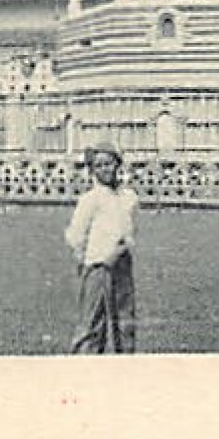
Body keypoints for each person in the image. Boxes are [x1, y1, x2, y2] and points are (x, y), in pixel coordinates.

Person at [65, 145, 139, 354]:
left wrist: (121, 249)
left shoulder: (129, 198)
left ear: (117, 164)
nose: (105, 169)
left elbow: (131, 230)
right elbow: (75, 235)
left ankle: (124, 370)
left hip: (122, 264)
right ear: (93, 171)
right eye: (99, 166)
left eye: (108, 164)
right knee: (91, 325)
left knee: (125, 323)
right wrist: (88, 259)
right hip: (98, 266)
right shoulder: (90, 199)